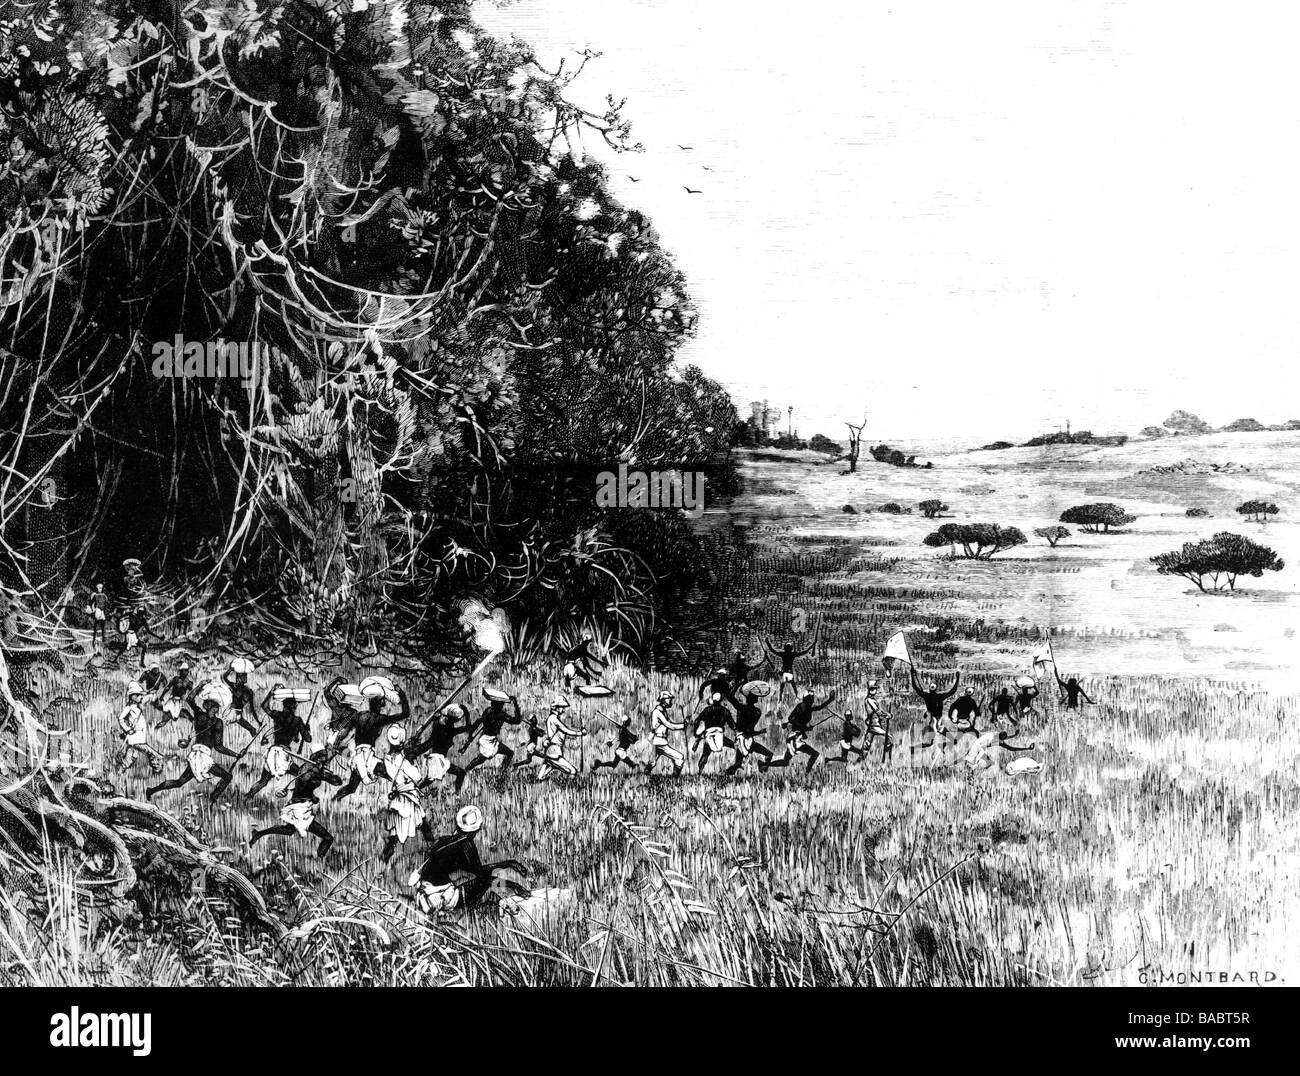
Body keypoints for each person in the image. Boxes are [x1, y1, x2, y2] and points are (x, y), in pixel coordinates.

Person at [407, 806, 528, 915]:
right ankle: (481, 906)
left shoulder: (442, 841)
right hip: (438, 899)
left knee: (474, 878)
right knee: (486, 880)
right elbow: (481, 875)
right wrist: (511, 877)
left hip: (423, 892)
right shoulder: (466, 845)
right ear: (478, 828)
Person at [250, 746, 342, 857]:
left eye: (325, 757)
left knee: (289, 830)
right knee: (327, 838)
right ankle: (320, 858)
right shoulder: (310, 770)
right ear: (316, 757)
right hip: (300, 809)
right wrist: (324, 776)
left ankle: (259, 834)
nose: (324, 760)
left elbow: (334, 782)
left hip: (299, 805)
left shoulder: (314, 768)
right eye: (322, 757)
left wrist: (313, 794)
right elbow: (309, 782)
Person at [146, 696, 238, 802]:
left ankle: (151, 790)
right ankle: (213, 797)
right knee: (227, 777)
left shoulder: (206, 718)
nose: (216, 708)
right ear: (212, 707)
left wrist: (235, 754)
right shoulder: (213, 721)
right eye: (215, 705)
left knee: (179, 782)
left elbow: (218, 746)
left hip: (197, 754)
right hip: (202, 757)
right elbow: (218, 747)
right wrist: (235, 754)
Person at [334, 683, 411, 801]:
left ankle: (334, 799)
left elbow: (345, 732)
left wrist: (338, 743)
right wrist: (402, 694)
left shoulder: (359, 715)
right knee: (392, 776)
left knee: (351, 787)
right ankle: (408, 793)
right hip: (368, 757)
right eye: (382, 703)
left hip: (357, 756)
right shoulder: (379, 719)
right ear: (380, 705)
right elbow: (405, 714)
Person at [375, 726, 436, 863]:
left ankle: (383, 861)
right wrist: (411, 757)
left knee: (395, 835)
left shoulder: (387, 759)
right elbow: (417, 777)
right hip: (407, 799)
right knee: (424, 826)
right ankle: (435, 852)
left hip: (398, 800)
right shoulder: (403, 760)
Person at [246, 684, 312, 798]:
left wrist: (271, 692)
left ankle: (248, 796)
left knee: (263, 781)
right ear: (293, 707)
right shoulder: (297, 720)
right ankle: (297, 797)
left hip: (273, 752)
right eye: (293, 706)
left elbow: (264, 706)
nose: (292, 708)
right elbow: (308, 739)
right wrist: (306, 730)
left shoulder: (278, 715)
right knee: (301, 775)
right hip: (284, 753)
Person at [763, 689, 836, 771]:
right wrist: (806, 728)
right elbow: (793, 720)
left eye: (812, 698)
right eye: (811, 698)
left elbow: (818, 708)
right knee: (814, 754)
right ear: (807, 698)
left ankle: (764, 764)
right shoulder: (803, 707)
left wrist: (830, 700)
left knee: (785, 761)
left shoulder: (805, 707)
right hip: (796, 739)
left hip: (793, 737)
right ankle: (807, 772)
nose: (812, 700)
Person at [407, 703, 474, 792]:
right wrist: (465, 711)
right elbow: (467, 727)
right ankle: (457, 793)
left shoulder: (439, 726)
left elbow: (466, 728)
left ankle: (413, 789)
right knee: (460, 773)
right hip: (437, 760)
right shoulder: (448, 730)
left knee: (429, 781)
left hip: (437, 759)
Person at [461, 692, 523, 782]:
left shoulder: (488, 711)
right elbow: (517, 721)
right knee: (481, 759)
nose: (502, 706)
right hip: (488, 740)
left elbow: (479, 721)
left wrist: (471, 733)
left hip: (489, 739)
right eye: (501, 704)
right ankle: (467, 770)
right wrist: (515, 704)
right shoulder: (501, 714)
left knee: (507, 753)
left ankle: (501, 775)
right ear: (500, 705)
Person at [724, 688, 774, 775]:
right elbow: (748, 731)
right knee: (769, 754)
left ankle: (726, 776)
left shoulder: (740, 708)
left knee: (737, 764)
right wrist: (760, 732)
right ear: (755, 700)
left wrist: (738, 685)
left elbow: (730, 697)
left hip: (740, 739)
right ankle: (762, 767)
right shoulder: (757, 712)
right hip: (747, 740)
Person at [118, 682, 164, 774]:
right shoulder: (129, 708)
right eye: (138, 695)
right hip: (136, 737)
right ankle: (157, 769)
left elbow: (148, 697)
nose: (140, 697)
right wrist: (127, 729)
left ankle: (120, 772)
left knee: (131, 757)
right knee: (153, 754)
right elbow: (121, 719)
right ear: (132, 696)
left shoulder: (138, 707)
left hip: (138, 737)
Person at [536, 696, 584, 781]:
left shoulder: (552, 718)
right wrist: (580, 733)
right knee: (572, 771)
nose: (564, 710)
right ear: (557, 708)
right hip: (554, 751)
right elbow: (566, 730)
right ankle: (570, 787)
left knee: (544, 773)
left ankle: (539, 780)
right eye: (562, 707)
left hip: (552, 750)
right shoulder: (553, 719)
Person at [909, 669, 961, 736]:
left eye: (933, 686)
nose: (932, 687)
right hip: (932, 716)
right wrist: (957, 678)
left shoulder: (929, 696)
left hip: (936, 717)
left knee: (937, 728)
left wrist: (912, 675)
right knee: (935, 728)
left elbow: (915, 687)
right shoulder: (932, 696)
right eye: (932, 685)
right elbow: (952, 691)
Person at [644, 691, 685, 775]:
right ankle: (675, 779)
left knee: (652, 762)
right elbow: (669, 725)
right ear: (663, 700)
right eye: (668, 699)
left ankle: (646, 775)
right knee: (679, 758)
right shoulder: (657, 712)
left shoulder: (663, 711)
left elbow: (668, 724)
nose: (670, 701)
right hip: (659, 742)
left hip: (658, 742)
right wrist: (683, 726)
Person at [763, 635, 818, 699]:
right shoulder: (792, 654)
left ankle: (781, 697)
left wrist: (767, 643)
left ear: (785, 648)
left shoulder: (783, 654)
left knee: (783, 685)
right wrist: (812, 645)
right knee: (792, 685)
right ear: (791, 648)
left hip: (784, 671)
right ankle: (795, 696)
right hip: (789, 671)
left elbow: (772, 650)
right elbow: (804, 652)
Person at [694, 692, 735, 774]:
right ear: (721, 700)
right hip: (719, 733)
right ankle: (735, 767)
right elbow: (733, 725)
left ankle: (699, 771)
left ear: (713, 699)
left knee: (705, 753)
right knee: (735, 745)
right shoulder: (725, 710)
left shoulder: (707, 710)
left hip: (708, 733)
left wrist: (696, 733)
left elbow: (697, 720)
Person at [222, 657, 260, 735]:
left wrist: (258, 721)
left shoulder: (248, 691)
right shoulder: (234, 686)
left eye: (244, 676)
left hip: (237, 713)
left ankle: (253, 733)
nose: (243, 678)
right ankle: (253, 731)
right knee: (250, 728)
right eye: (241, 676)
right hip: (232, 713)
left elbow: (252, 708)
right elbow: (224, 677)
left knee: (251, 729)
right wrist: (231, 669)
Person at [155, 659, 195, 726]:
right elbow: (168, 687)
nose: (184, 672)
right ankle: (163, 721)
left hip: (182, 701)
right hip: (173, 699)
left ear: (188, 671)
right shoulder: (175, 679)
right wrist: (162, 696)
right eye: (183, 671)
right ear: (180, 671)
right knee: (167, 710)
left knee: (182, 712)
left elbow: (191, 692)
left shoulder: (189, 683)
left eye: (186, 670)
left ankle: (192, 721)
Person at [85, 583, 109, 649]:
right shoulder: (95, 595)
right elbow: (91, 602)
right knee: (96, 625)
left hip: (102, 611)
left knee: (102, 624)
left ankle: (103, 639)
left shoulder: (104, 596)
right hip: (98, 610)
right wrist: (93, 609)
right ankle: (94, 639)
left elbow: (106, 603)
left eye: (101, 588)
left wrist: (105, 610)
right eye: (99, 588)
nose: (100, 589)